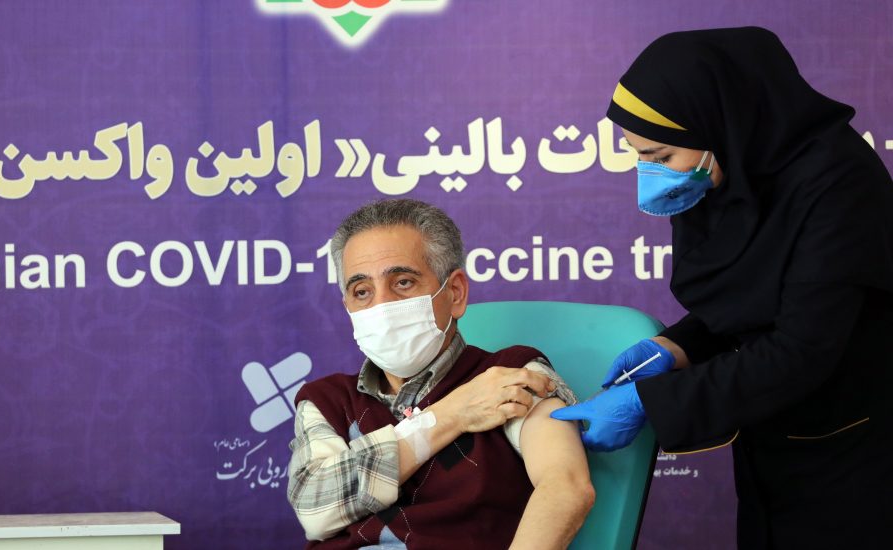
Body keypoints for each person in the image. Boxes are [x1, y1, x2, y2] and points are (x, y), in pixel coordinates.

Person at [551, 27, 893, 548]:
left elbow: (801, 349)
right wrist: (676, 347)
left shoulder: (840, 186)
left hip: (855, 446)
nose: (649, 174)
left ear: (720, 124)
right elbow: (749, 306)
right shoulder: (730, 173)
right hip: (769, 433)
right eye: (637, 156)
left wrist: (650, 402)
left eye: (661, 157)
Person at [287, 199, 594, 549]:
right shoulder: (328, 402)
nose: (381, 305)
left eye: (403, 282)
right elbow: (316, 510)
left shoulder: (510, 375)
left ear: (455, 292)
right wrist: (451, 414)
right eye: (362, 292)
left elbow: (566, 486)